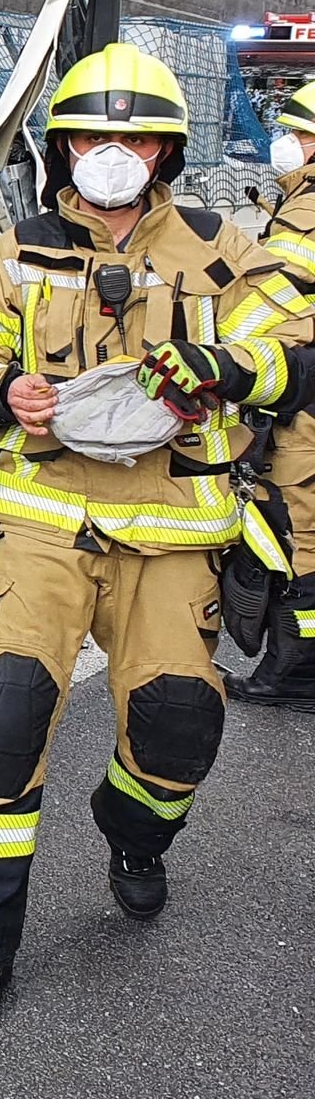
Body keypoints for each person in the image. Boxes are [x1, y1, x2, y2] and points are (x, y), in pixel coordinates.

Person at [0, 43, 313, 1021]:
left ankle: (132, 831)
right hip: (43, 528)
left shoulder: (221, 246)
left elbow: (294, 347)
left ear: (161, 149)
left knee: (177, 734)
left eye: (130, 135)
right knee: (1, 718)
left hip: (174, 533)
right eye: (91, 135)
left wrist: (227, 368)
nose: (110, 151)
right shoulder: (12, 252)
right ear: (62, 147)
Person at [223, 86, 315, 711]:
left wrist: (210, 347)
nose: (286, 142)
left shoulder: (308, 211)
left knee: (297, 530)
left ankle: (298, 673)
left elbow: (276, 301)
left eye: (298, 131)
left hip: (306, 400)